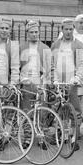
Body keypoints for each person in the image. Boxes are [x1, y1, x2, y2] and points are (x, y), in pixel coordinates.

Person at [51, 18, 83, 151]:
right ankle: (65, 136)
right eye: (66, 29)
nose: (68, 31)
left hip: (72, 84)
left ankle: (74, 138)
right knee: (62, 111)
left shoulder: (78, 45)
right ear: (62, 30)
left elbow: (82, 65)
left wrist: (77, 78)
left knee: (75, 111)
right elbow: (52, 64)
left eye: (70, 29)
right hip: (60, 84)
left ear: (73, 30)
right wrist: (54, 79)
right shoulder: (56, 45)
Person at [19, 20, 52, 149]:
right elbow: (16, 66)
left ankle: (41, 135)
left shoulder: (45, 48)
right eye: (31, 32)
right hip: (26, 82)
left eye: (36, 32)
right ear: (27, 33)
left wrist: (46, 79)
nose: (34, 34)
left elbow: (50, 68)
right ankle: (27, 137)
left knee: (42, 110)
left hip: (40, 82)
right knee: (26, 111)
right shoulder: (21, 47)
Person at [0, 17, 20, 89]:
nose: (4, 30)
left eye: (7, 28)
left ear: (10, 31)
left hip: (6, 84)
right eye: (2, 28)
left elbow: (15, 67)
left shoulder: (14, 45)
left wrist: (13, 83)